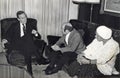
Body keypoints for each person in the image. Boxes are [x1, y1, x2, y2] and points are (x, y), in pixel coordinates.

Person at [1, 11, 47, 77]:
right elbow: (8, 35)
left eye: (25, 17)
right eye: (22, 18)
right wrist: (4, 40)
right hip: (16, 44)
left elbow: (39, 37)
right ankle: (39, 58)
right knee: (28, 39)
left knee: (27, 46)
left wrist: (36, 33)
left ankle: (29, 70)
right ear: (18, 19)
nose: (25, 19)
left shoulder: (30, 24)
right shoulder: (14, 25)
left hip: (27, 45)